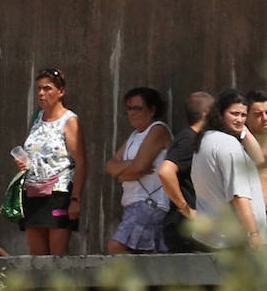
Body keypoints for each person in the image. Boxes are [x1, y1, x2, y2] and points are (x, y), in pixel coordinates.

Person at [13, 68, 86, 256]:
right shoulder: (37, 118)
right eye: (39, 89)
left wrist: (75, 199)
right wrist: (24, 163)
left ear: (60, 92)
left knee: (57, 256)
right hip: (33, 193)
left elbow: (81, 162)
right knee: (37, 256)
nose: (41, 93)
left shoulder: (69, 121)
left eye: (47, 89)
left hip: (58, 195)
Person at [190, 89, 266, 251]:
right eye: (234, 114)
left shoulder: (205, 139)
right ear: (220, 113)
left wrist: (242, 131)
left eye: (243, 115)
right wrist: (253, 234)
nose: (240, 120)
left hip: (212, 237)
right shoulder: (228, 145)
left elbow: (259, 160)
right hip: (234, 241)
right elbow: (239, 196)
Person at [104, 87, 171, 253]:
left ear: (152, 109)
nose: (132, 113)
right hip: (132, 203)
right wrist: (130, 167)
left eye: (137, 108)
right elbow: (110, 166)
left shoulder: (157, 129)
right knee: (144, 254)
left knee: (116, 247)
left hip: (149, 203)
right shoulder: (134, 135)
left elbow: (140, 168)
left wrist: (126, 170)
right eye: (129, 108)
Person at [157, 91, 215, 252]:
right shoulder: (189, 140)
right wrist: (186, 209)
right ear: (208, 113)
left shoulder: (195, 139)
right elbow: (165, 172)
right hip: (185, 229)